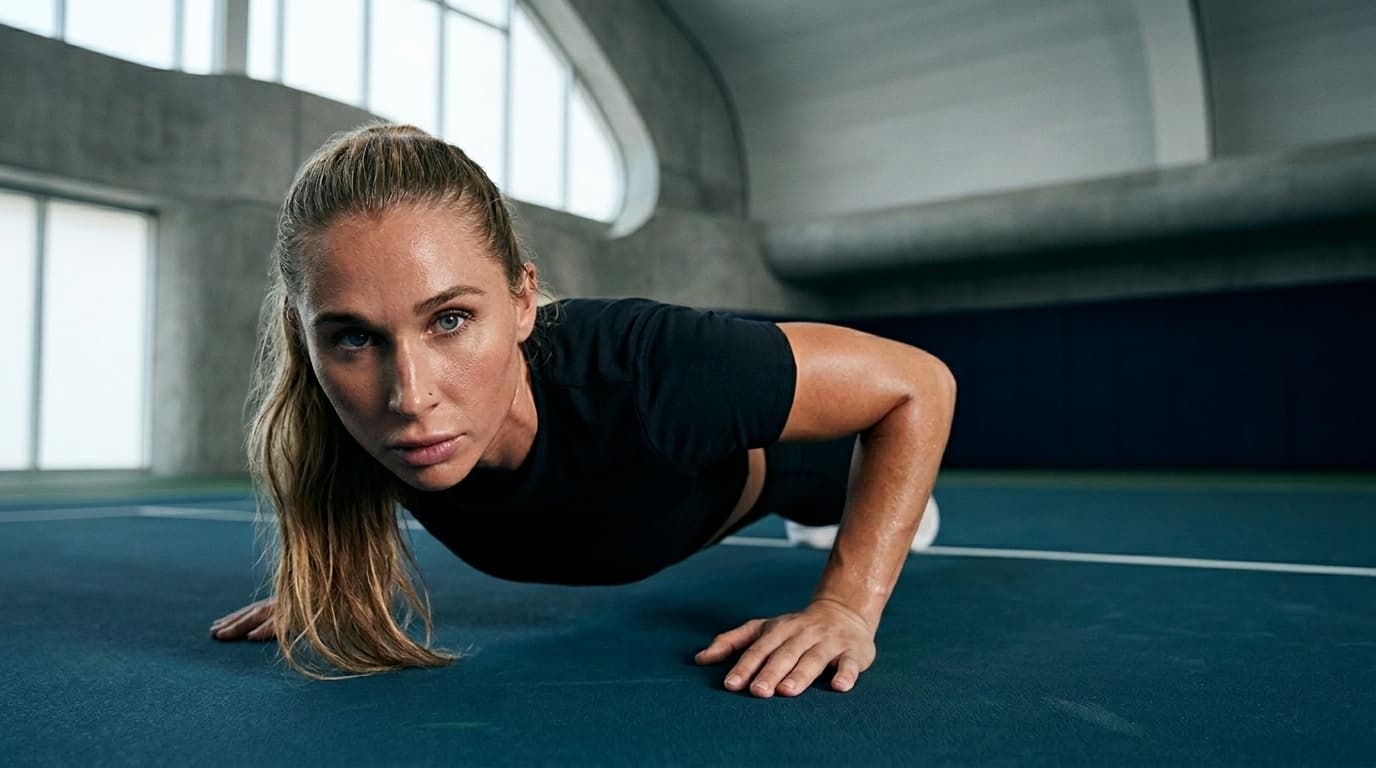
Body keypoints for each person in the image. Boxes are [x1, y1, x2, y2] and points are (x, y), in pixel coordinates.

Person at [209, 123, 957, 698]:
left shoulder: (652, 369)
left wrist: (847, 606)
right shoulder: (336, 414)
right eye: (352, 336)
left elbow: (918, 384)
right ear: (303, 336)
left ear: (523, 299)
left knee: (859, 500)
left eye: (450, 320)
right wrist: (326, 582)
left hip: (798, 466)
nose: (410, 397)